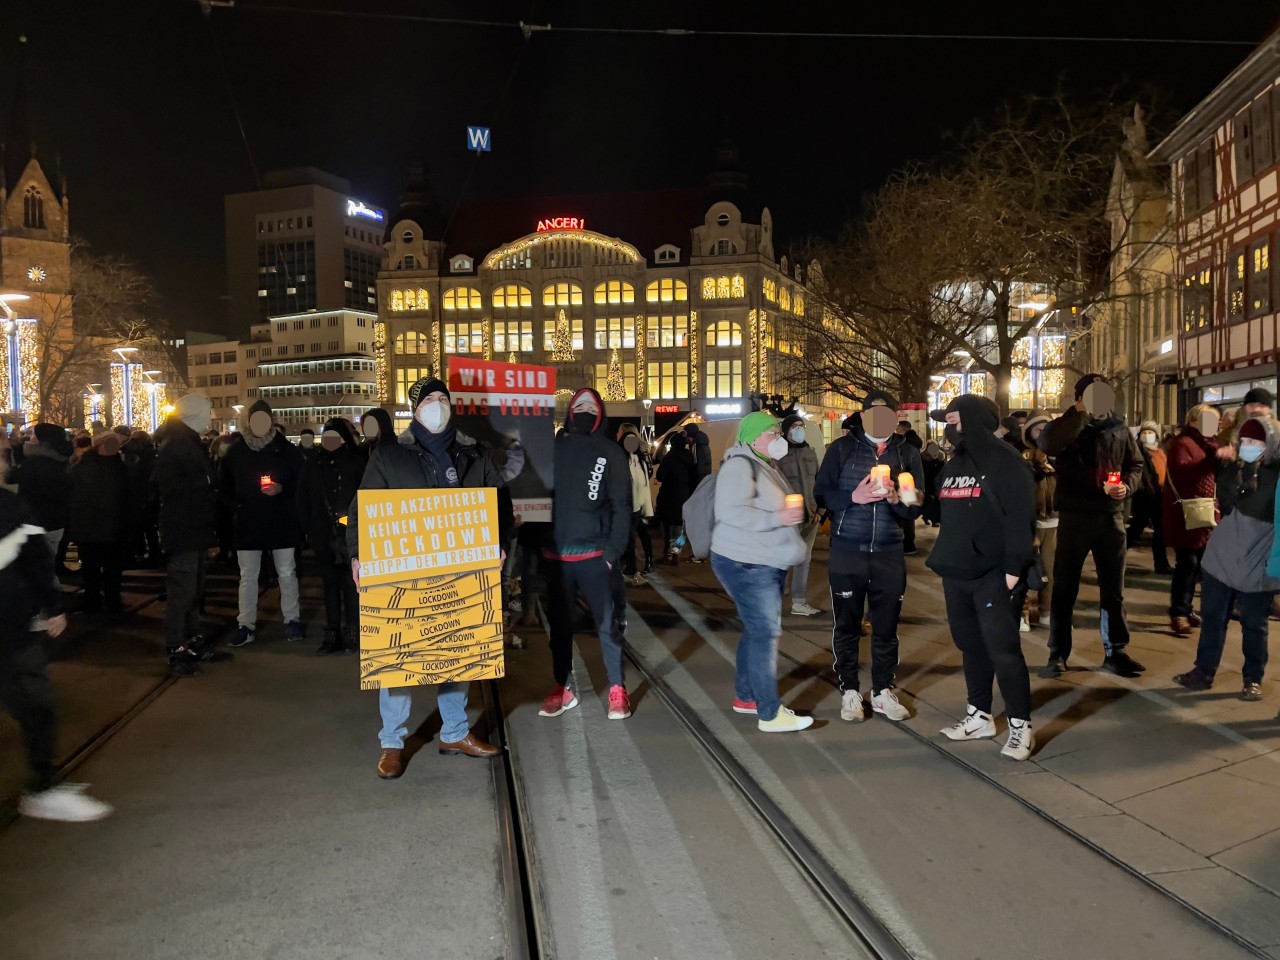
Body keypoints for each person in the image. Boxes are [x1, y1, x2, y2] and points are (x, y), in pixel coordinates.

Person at [348, 376, 509, 777]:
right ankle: (391, 741)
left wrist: (500, 543)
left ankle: (454, 731)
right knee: (399, 651)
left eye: (443, 398)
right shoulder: (388, 456)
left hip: (460, 568)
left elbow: (499, 504)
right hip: (403, 571)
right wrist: (357, 556)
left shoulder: (475, 454)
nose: (438, 404)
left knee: (456, 646)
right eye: (429, 399)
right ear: (415, 409)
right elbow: (362, 511)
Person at [927, 395, 1037, 761]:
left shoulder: (1006, 461)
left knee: (1003, 651)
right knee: (970, 646)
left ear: (972, 420)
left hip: (993, 574)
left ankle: (1021, 725)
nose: (948, 427)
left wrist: (1012, 571)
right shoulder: (954, 462)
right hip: (955, 570)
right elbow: (941, 507)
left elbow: (1021, 519)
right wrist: (910, 499)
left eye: (953, 419)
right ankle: (980, 715)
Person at [0, 487, 113, 821]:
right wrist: (50, 605)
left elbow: (34, 556)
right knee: (36, 704)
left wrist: (51, 606)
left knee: (37, 704)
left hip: (11, 629)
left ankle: (44, 784)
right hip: (11, 632)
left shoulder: (9, 504)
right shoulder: (9, 504)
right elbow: (36, 557)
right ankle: (44, 788)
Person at [813, 390, 923, 722]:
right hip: (848, 549)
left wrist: (898, 499)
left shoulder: (908, 453)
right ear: (862, 417)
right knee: (846, 624)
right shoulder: (842, 448)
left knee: (886, 626)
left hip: (889, 551)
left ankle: (882, 690)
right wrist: (853, 497)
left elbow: (916, 508)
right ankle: (849, 689)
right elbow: (822, 492)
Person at [710, 412, 812, 731]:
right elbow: (729, 512)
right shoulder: (741, 465)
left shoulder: (764, 463)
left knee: (756, 630)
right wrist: (777, 519)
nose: (780, 439)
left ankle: (746, 697)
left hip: (763, 559)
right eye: (773, 434)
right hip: (748, 562)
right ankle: (769, 713)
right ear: (754, 437)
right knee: (765, 633)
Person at [1038, 374, 1145, 678]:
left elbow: (1135, 465)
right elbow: (1051, 444)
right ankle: (1057, 653)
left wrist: (1127, 485)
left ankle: (1116, 650)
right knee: (1065, 588)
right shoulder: (1067, 425)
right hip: (1075, 516)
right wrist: (1079, 414)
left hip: (1110, 516)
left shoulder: (1119, 428)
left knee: (1113, 590)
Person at [539, 388, 632, 720]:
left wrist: (611, 552)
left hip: (594, 556)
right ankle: (562, 687)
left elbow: (622, 507)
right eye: (578, 406)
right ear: (569, 413)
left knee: (607, 625)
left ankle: (617, 688)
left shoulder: (611, 453)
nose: (584, 411)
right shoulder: (552, 448)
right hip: (556, 559)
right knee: (560, 629)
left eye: (590, 408)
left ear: (601, 415)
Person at [1172, 415, 1279, 700]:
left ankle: (1252, 679)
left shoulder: (1276, 474)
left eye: (1256, 440)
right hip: (1222, 557)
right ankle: (1203, 671)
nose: (1248, 445)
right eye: (1244, 439)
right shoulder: (1233, 469)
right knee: (1212, 618)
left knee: (1254, 624)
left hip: (1258, 559)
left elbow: (1260, 506)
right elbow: (1230, 500)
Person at [153, 394, 231, 678]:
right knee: (182, 592)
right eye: (206, 412)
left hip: (193, 527)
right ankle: (177, 648)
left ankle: (193, 641)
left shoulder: (185, 442)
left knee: (194, 589)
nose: (209, 417)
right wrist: (207, 485)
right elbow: (170, 487)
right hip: (184, 528)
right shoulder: (178, 445)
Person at [222, 399, 306, 646]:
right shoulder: (236, 452)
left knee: (286, 573)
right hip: (249, 521)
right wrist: (236, 506)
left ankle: (292, 619)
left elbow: (302, 483)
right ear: (248, 422)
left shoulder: (287, 450)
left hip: (281, 520)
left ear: (271, 421)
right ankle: (245, 624)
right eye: (255, 419)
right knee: (248, 576)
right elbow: (224, 484)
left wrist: (283, 488)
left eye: (264, 419)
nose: (259, 423)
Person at [298, 418, 366, 654]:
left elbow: (364, 497)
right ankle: (332, 633)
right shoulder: (312, 464)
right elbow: (303, 499)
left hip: (350, 535)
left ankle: (352, 633)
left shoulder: (356, 463)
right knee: (329, 585)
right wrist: (308, 528)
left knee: (351, 585)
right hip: (322, 534)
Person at [1164, 405, 1221, 636]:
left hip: (1206, 512)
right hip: (1187, 515)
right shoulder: (1183, 443)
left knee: (1198, 565)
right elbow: (1184, 472)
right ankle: (1178, 612)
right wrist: (1211, 460)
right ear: (1195, 420)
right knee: (1187, 564)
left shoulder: (1208, 443)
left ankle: (1186, 609)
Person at [68, 432, 131, 616]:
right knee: (99, 569)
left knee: (100, 569)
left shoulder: (84, 466)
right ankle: (104, 603)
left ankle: (100, 602)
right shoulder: (117, 467)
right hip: (102, 527)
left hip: (100, 527)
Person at [5, 423, 71, 567]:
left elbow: (11, 476)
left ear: (43, 441)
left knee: (38, 567)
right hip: (55, 520)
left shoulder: (37, 464)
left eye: (34, 435)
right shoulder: (59, 459)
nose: (30, 438)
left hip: (37, 521)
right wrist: (17, 450)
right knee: (48, 562)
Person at [777, 413, 822, 616]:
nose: (799, 429)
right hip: (788, 518)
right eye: (795, 426)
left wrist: (821, 511)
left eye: (801, 425)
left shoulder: (810, 453)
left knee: (804, 558)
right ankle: (775, 597)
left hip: (811, 515)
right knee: (784, 558)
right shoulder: (778, 455)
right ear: (786, 431)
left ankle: (799, 601)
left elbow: (820, 483)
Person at [1020, 412, 1058, 630]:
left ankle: (1046, 611)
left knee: (1050, 573)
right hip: (1031, 523)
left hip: (1054, 523)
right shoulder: (1023, 457)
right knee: (1027, 569)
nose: (1042, 433)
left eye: (1046, 428)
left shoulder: (1060, 455)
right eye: (1037, 429)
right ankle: (1022, 611)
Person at [1128, 419, 1171, 574]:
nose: (1147, 435)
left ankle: (1161, 564)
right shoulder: (1137, 450)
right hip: (1145, 496)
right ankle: (1113, 558)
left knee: (1161, 531)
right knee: (1136, 528)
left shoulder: (1160, 451)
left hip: (1160, 494)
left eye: (1150, 432)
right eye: (1144, 432)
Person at [617, 423, 654, 584]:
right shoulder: (635, 459)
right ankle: (630, 569)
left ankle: (630, 570)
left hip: (631, 507)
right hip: (631, 506)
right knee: (629, 539)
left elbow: (643, 484)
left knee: (629, 539)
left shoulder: (635, 460)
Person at [655, 433, 697, 563]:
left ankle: (667, 553)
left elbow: (660, 476)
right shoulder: (689, 456)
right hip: (683, 495)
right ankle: (676, 554)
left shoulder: (669, 457)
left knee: (667, 527)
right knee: (679, 527)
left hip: (668, 495)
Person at [920, 440, 945, 527]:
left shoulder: (940, 456)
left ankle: (935, 519)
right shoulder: (923, 457)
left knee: (937, 501)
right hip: (927, 482)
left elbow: (943, 469)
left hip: (938, 482)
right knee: (929, 501)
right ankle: (928, 517)